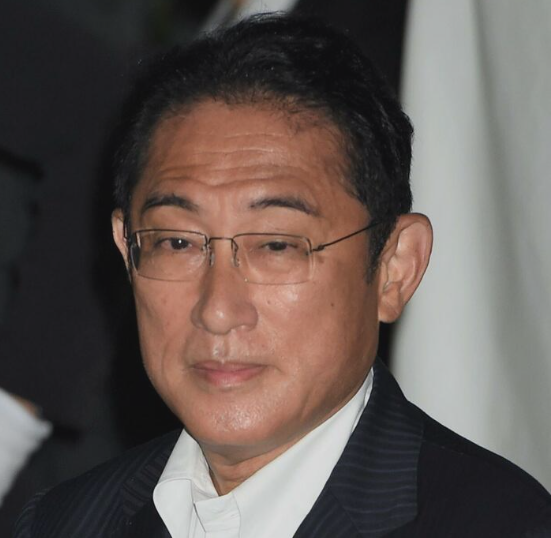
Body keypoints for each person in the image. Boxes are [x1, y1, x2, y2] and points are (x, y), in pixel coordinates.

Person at [15, 14, 551, 538]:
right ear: (125, 250)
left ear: (394, 268)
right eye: (177, 243)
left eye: (276, 246)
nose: (217, 310)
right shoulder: (63, 522)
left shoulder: (504, 525)